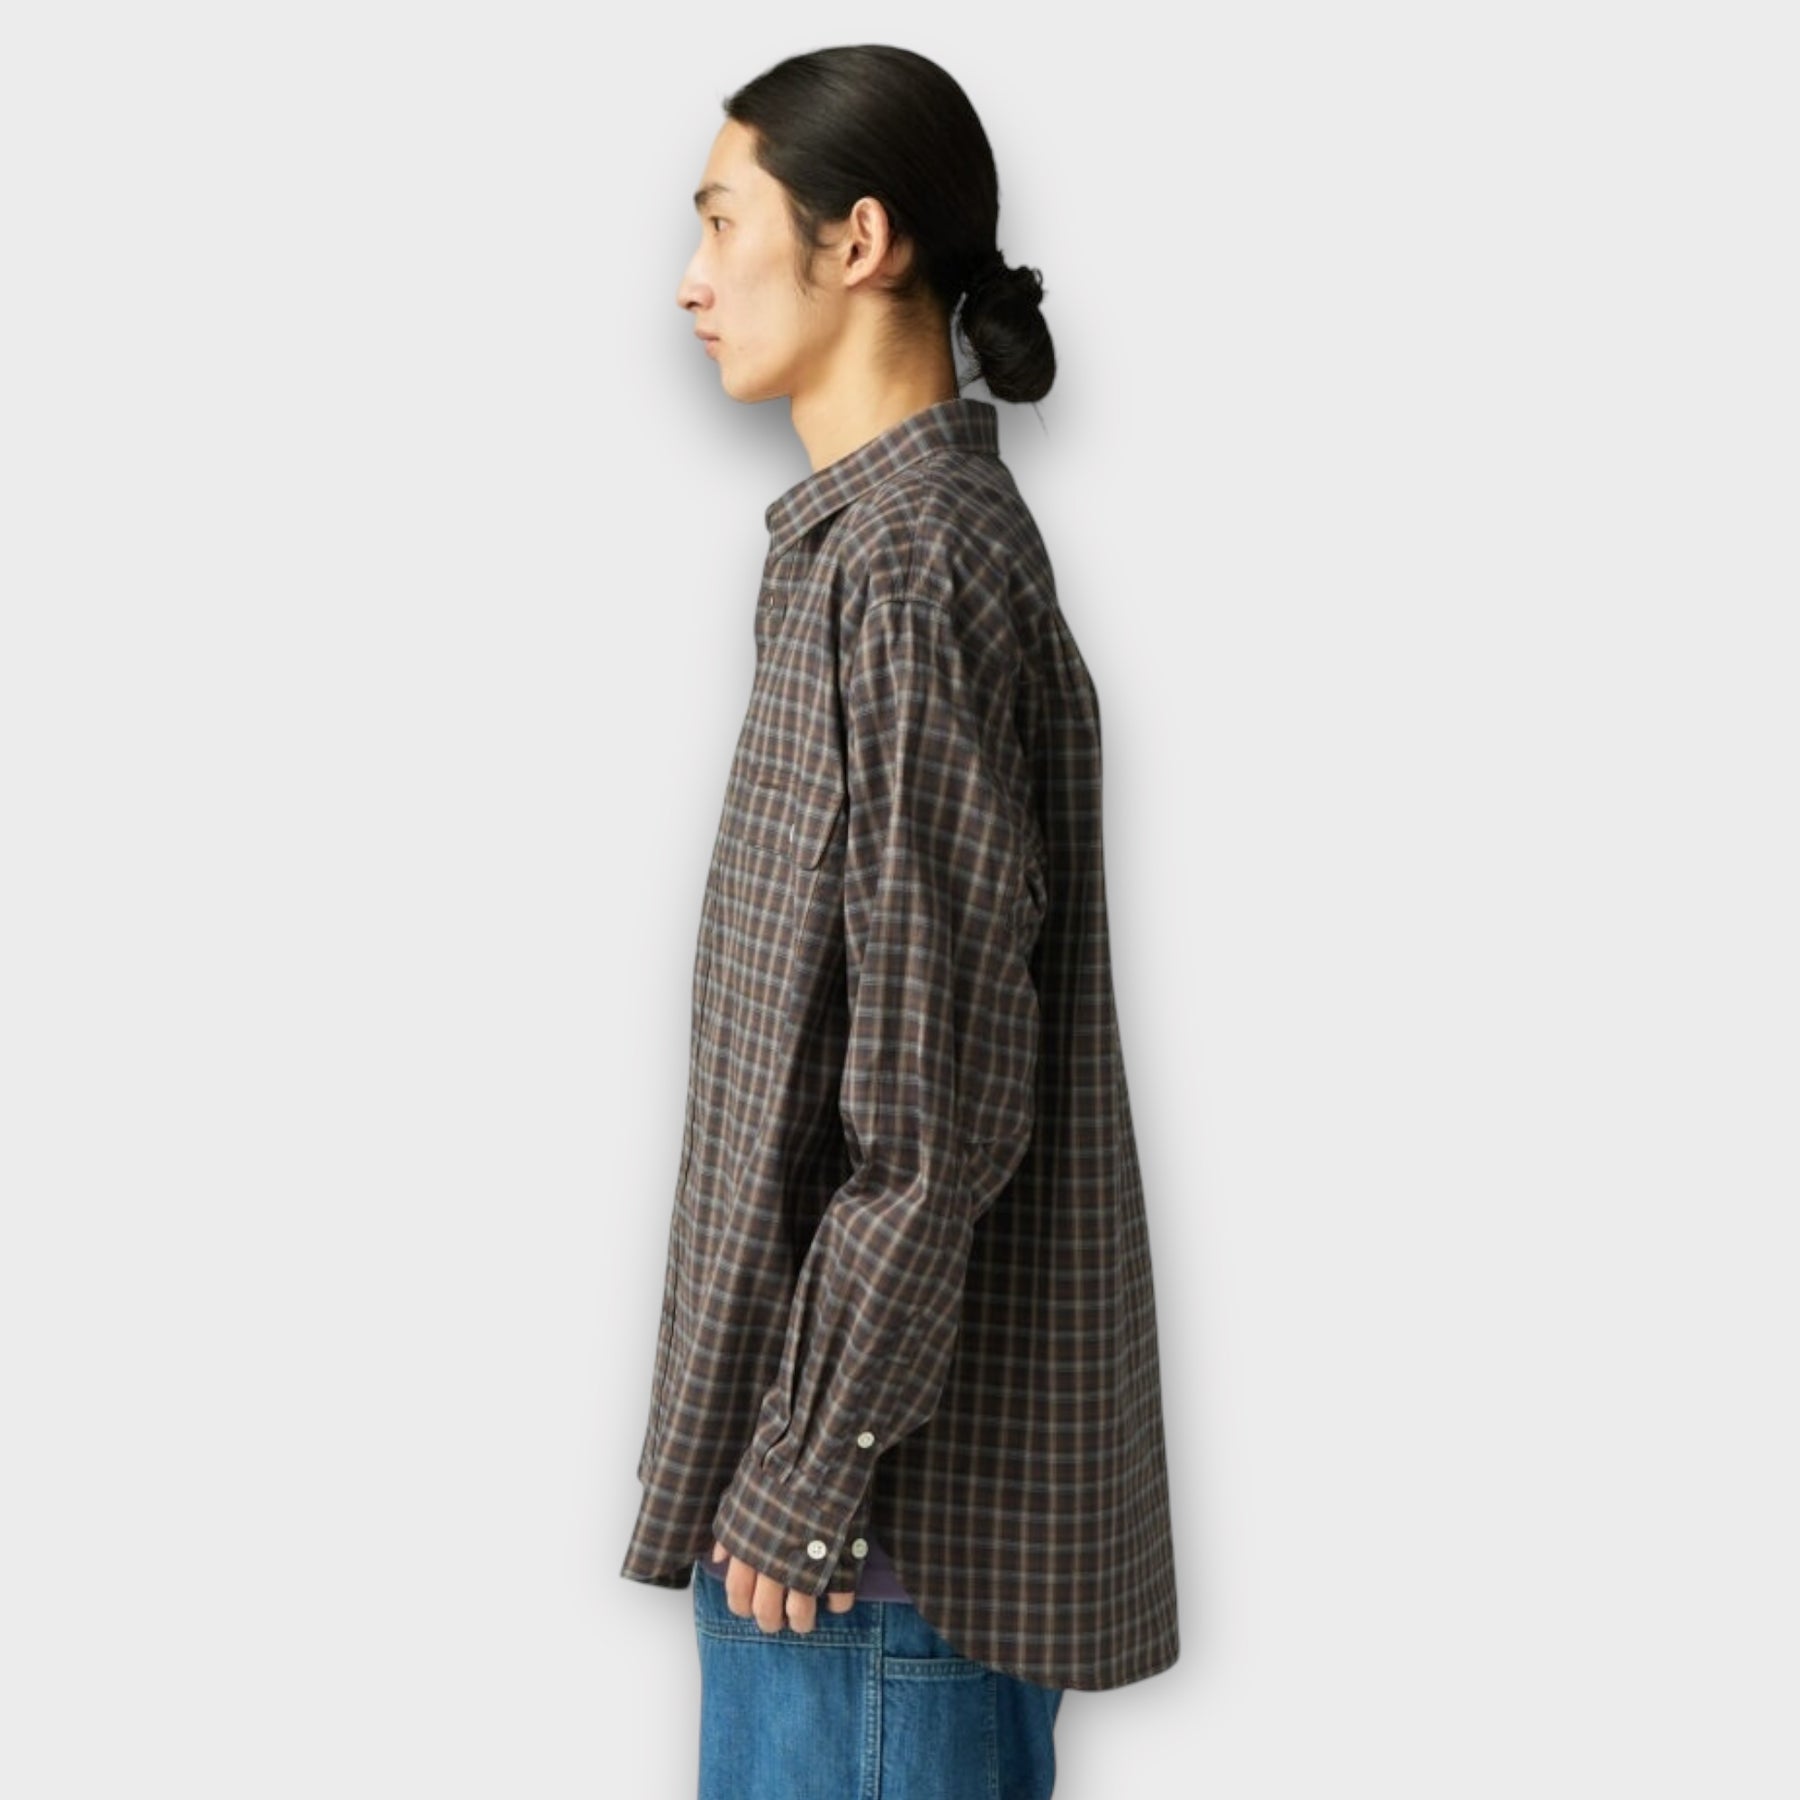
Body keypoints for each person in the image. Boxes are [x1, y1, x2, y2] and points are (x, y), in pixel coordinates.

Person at [621, 45, 1179, 1799]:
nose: (691, 280)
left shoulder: (914, 566)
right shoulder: (870, 552)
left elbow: (935, 1109)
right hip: (850, 1534)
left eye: (724, 223)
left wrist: (805, 1472)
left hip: (865, 1546)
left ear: (857, 240)